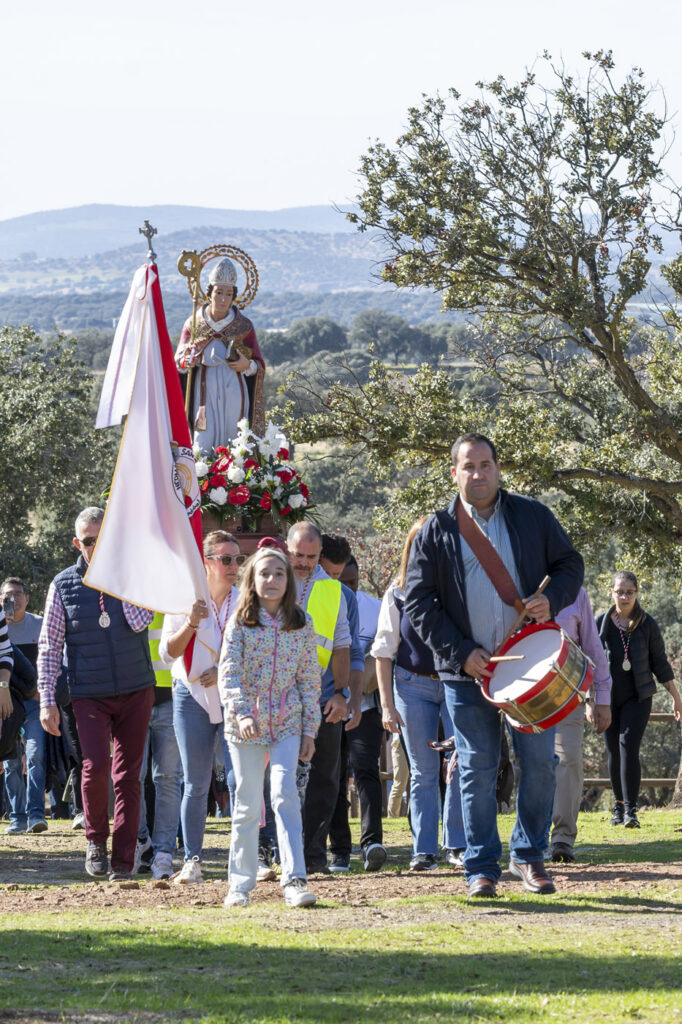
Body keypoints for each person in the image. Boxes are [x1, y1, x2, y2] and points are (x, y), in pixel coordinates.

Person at [404, 433, 584, 898]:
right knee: (476, 769)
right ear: (454, 473)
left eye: (486, 464)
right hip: (467, 673)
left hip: (530, 668)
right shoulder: (435, 530)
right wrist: (461, 651)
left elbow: (570, 565)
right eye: (469, 466)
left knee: (540, 763)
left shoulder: (532, 515)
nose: (478, 474)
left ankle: (529, 856)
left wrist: (552, 599)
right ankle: (481, 868)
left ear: (498, 469)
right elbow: (418, 602)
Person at [37, 507, 155, 881]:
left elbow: (142, 620)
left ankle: (123, 860)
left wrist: (118, 578)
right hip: (88, 693)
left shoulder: (131, 575)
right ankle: (95, 842)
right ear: (78, 543)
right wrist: (46, 700)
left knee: (129, 775)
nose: (96, 545)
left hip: (136, 688)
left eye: (103, 538)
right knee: (96, 766)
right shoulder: (62, 585)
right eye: (89, 540)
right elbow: (49, 646)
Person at [220, 547, 320, 908]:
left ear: (288, 580)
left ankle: (294, 880)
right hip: (245, 727)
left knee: (284, 795)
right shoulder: (240, 622)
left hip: (287, 723)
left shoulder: (301, 623)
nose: (272, 579)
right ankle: (239, 885)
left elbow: (309, 679)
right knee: (248, 802)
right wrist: (243, 713)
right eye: (264, 573)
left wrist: (309, 730)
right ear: (252, 579)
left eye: (279, 573)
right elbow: (229, 672)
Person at [373, 518, 466, 871]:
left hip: (456, 683)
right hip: (411, 686)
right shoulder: (396, 593)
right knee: (423, 770)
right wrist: (386, 705)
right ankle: (424, 851)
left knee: (458, 764)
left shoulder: (460, 589)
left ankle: (456, 845)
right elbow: (384, 652)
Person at [160, 530, 244, 884]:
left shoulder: (245, 601)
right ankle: (192, 859)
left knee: (240, 780)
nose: (233, 566)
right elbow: (168, 653)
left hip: (233, 696)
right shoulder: (185, 599)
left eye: (237, 559)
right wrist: (192, 622)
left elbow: (254, 651)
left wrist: (222, 669)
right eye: (225, 559)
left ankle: (246, 858)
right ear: (206, 563)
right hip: (191, 695)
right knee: (196, 783)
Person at [286, 522, 364, 874]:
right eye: (297, 555)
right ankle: (278, 851)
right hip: (278, 700)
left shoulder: (335, 591)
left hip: (322, 700)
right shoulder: (269, 579)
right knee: (280, 778)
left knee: (324, 780)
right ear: (287, 549)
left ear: (320, 555)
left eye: (310, 556)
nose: (303, 562)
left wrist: (342, 694)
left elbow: (344, 646)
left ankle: (314, 856)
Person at [597, 571, 682, 828]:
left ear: (637, 593)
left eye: (629, 592)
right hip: (607, 699)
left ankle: (631, 811)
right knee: (613, 751)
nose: (624, 597)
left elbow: (660, 664)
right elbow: (589, 662)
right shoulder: (600, 623)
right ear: (611, 593)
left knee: (628, 745)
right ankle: (618, 807)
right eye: (619, 592)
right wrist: (590, 700)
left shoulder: (647, 624)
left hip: (638, 697)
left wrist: (676, 697)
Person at [323, 546, 387, 873]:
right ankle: (340, 850)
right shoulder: (322, 601)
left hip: (366, 705)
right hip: (330, 705)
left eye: (353, 581)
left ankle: (372, 842)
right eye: (339, 580)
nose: (347, 587)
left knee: (366, 770)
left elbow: (381, 655)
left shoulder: (375, 608)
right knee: (332, 775)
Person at [175, 257, 265, 451]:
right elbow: (178, 362)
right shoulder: (194, 324)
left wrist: (248, 366)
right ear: (209, 293)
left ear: (234, 296)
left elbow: (258, 364)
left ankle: (235, 471)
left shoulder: (243, 326)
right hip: (204, 390)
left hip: (234, 387)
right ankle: (201, 469)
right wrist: (186, 361)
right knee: (202, 441)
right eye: (219, 293)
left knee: (234, 439)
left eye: (228, 294)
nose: (223, 299)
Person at [550, 587, 612, 862]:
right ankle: (530, 839)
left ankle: (562, 838)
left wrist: (602, 697)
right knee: (533, 766)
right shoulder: (514, 583)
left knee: (570, 760)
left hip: (568, 694)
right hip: (523, 696)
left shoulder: (576, 592)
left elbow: (592, 647)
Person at [133, 611, 184, 880]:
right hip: (133, 697)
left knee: (168, 778)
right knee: (133, 777)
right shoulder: (130, 593)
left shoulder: (178, 595)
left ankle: (164, 852)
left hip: (172, 695)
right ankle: (141, 843)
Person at [1, 577, 47, 834]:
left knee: (35, 754)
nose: (14, 599)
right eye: (8, 595)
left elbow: (51, 658)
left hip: (34, 702)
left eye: (19, 593)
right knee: (10, 761)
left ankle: (36, 815)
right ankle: (17, 818)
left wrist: (46, 691)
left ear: (28, 598)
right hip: (6, 703)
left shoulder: (39, 624)